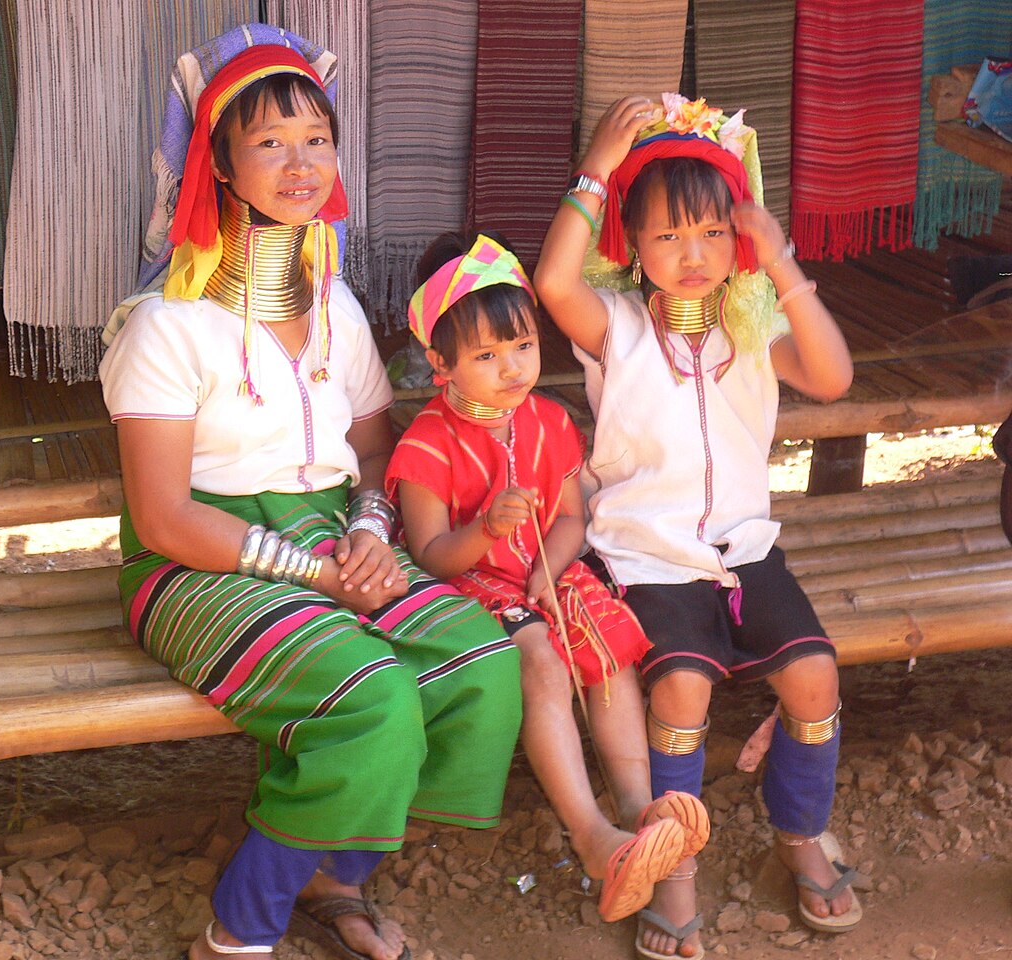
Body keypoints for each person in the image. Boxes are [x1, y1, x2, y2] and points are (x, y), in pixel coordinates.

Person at [98, 26, 522, 960]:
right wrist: (320, 575)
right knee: (375, 700)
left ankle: (334, 877)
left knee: (482, 668)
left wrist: (372, 532)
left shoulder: (335, 306)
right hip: (196, 564)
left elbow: (376, 452)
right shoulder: (165, 325)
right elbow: (166, 517)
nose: (302, 163)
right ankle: (240, 926)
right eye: (270, 142)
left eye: (317, 139)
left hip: (336, 539)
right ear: (219, 161)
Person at [534, 94, 859, 960]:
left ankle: (799, 832)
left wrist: (781, 261)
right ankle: (674, 867)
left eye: (714, 234)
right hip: (648, 556)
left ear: (739, 241)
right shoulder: (620, 330)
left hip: (744, 551)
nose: (692, 255)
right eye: (668, 236)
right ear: (631, 247)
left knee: (816, 677)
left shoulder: (754, 332)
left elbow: (832, 377)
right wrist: (597, 172)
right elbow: (554, 284)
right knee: (681, 691)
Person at [385, 231, 709, 923]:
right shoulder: (425, 444)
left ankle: (636, 811)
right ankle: (593, 838)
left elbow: (570, 516)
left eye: (523, 345)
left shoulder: (549, 421)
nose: (512, 368)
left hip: (541, 573)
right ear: (439, 363)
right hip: (465, 586)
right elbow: (431, 555)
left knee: (605, 652)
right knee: (541, 662)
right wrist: (489, 532)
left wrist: (546, 569)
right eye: (486, 355)